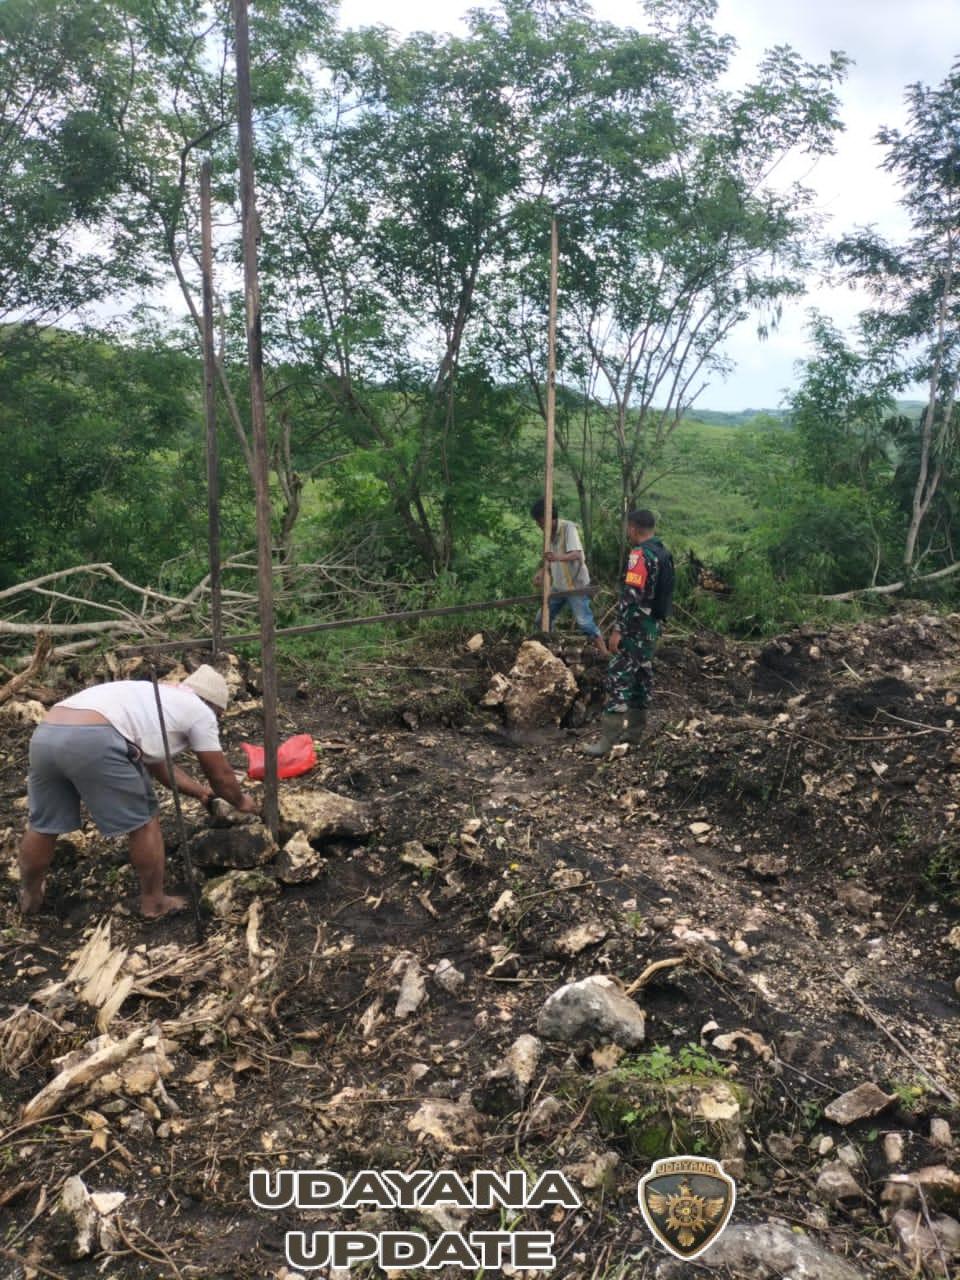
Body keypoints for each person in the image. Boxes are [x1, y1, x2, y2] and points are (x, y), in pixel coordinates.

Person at [18, 664, 259, 919]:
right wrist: (242, 801)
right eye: (219, 716)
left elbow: (160, 766)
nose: (217, 721)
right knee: (145, 821)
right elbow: (220, 776)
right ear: (214, 706)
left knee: (43, 825)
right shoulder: (201, 712)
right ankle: (154, 902)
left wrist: (201, 793)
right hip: (94, 738)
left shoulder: (156, 699)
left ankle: (30, 895)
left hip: (48, 732)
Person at [584, 509, 671, 757]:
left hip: (634, 627)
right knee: (643, 676)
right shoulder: (662, 553)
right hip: (652, 627)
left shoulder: (639, 556)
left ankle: (608, 742)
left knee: (618, 675)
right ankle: (634, 734)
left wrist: (618, 629)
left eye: (628, 528)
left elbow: (632, 595)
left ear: (633, 528)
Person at [530, 497, 607, 656]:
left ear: (549, 518)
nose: (540, 527)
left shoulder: (568, 528)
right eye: (538, 524)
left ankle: (605, 653)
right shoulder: (548, 535)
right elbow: (549, 559)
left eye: (541, 523)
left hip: (575, 586)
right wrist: (542, 572)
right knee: (541, 619)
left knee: (584, 623)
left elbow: (577, 555)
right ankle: (550, 648)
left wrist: (557, 557)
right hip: (559, 586)